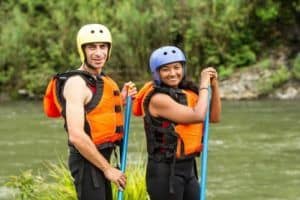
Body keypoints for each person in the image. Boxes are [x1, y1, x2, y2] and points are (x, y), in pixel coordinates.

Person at [43, 24, 137, 200]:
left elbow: (96, 111)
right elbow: (76, 135)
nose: (98, 53)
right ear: (82, 50)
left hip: (101, 159)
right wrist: (108, 169)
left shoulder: (99, 80)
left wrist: (121, 99)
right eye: (92, 47)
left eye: (103, 47)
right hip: (88, 162)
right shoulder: (76, 84)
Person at [133, 46, 221, 200]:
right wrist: (204, 84)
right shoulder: (158, 99)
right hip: (164, 173)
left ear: (183, 69)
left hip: (188, 169)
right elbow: (198, 115)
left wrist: (214, 85)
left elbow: (214, 117)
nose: (173, 73)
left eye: (177, 67)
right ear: (157, 73)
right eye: (166, 69)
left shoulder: (187, 93)